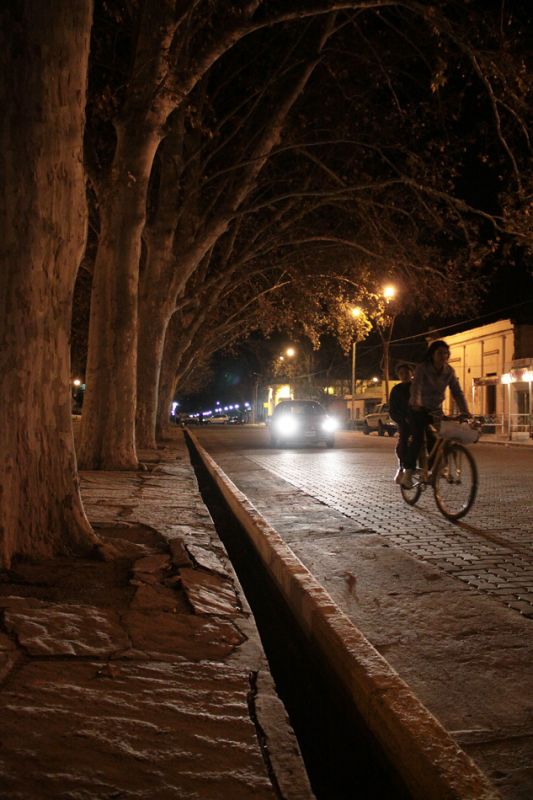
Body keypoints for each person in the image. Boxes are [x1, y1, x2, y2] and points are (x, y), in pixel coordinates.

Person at [401, 340, 469, 489]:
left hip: (435, 410)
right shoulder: (422, 368)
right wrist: (417, 403)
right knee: (418, 439)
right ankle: (408, 473)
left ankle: (436, 469)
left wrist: (466, 411)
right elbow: (416, 388)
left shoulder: (449, 371)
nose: (443, 356)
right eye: (439, 353)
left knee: (442, 438)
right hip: (417, 408)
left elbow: (457, 392)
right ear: (432, 354)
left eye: (446, 353)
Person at [389, 362, 414, 484]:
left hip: (418, 419)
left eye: (407, 372)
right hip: (404, 421)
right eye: (401, 373)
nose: (404, 375)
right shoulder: (396, 390)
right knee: (403, 440)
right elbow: (392, 410)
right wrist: (402, 419)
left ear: (411, 373)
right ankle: (402, 467)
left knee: (431, 437)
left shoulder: (417, 387)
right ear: (398, 375)